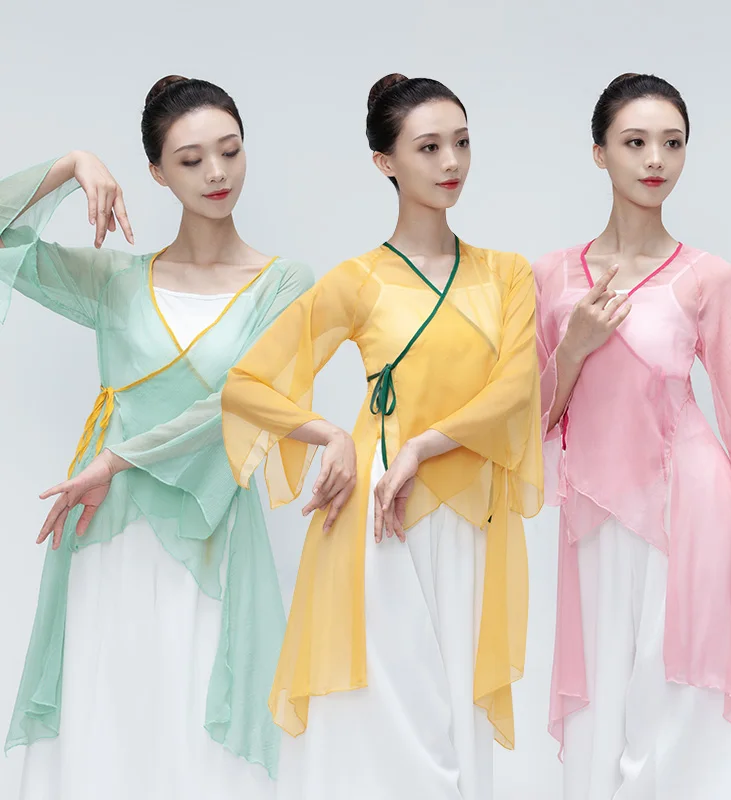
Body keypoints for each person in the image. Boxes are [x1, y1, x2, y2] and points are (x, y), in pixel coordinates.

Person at [221, 73, 543, 800]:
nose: (451, 162)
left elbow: (515, 390)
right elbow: (246, 384)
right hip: (379, 513)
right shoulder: (357, 280)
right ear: (384, 162)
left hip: (466, 512)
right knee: (391, 715)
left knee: (455, 704)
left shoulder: (507, 275)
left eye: (461, 142)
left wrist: (425, 445)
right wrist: (330, 435)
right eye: (428, 147)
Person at [0, 75, 313, 800]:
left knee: (194, 731)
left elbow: (244, 399)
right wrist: (72, 164)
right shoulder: (114, 281)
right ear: (156, 172)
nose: (216, 173)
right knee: (109, 717)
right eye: (191, 159)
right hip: (106, 530)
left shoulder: (284, 283)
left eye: (230, 151)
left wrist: (117, 456)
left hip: (210, 533)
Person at [535, 72, 731, 799]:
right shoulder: (551, 276)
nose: (655, 159)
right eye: (635, 142)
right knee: (605, 701)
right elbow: (534, 420)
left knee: (684, 703)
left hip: (692, 509)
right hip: (595, 517)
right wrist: (573, 347)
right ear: (599, 152)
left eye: (672, 143)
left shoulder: (710, 278)